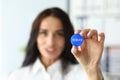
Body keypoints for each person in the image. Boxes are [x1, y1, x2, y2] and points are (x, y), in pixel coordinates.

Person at [8, 7, 105, 80]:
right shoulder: (17, 76)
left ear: (67, 38)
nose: (50, 43)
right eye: (43, 33)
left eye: (59, 34)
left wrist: (91, 68)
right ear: (35, 37)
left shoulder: (83, 74)